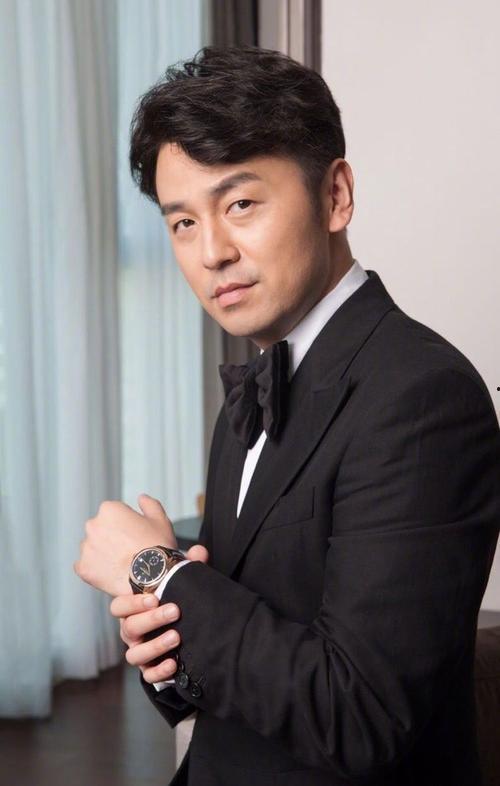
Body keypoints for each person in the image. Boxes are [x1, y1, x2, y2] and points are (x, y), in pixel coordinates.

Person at [75, 46, 500, 786]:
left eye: (240, 204)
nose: (211, 252)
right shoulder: (252, 393)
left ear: (335, 195)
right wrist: (164, 643)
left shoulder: (423, 396)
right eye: (182, 222)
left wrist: (157, 573)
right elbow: (226, 671)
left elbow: (361, 716)